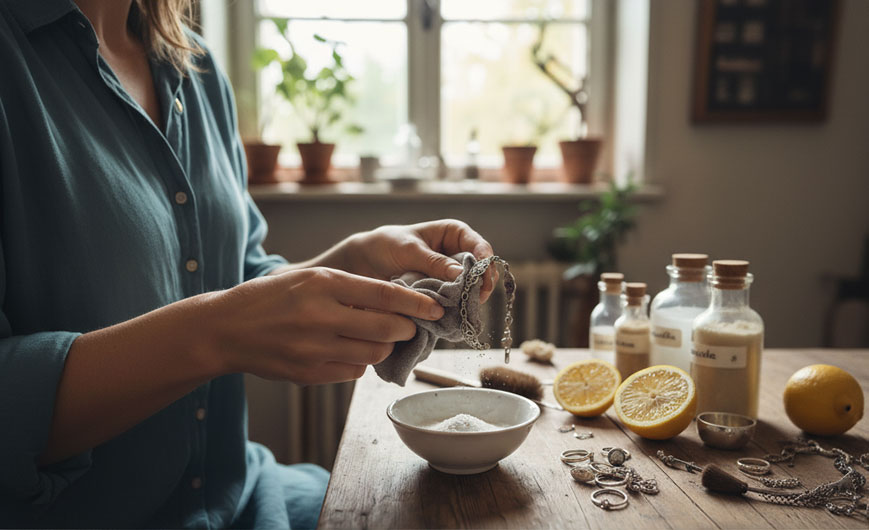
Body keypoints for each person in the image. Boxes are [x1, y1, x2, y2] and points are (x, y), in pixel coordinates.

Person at [0, 0, 496, 527]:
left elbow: (234, 280)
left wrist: (354, 262)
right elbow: (227, 315)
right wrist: (214, 334)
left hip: (244, 499)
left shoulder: (196, 67)